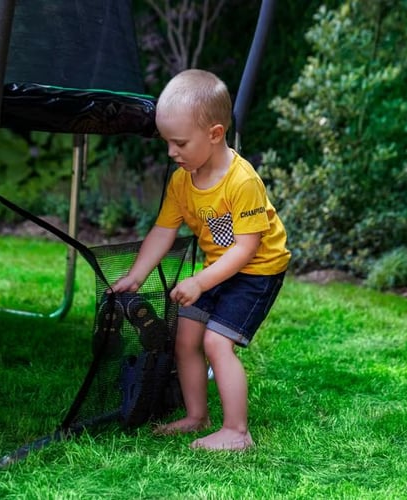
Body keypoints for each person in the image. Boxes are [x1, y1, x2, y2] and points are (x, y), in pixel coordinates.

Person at [109, 69, 291, 451]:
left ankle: (238, 432)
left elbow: (246, 248)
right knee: (185, 338)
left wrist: (199, 282)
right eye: (167, 143)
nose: (171, 152)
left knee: (215, 342)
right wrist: (137, 276)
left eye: (179, 143)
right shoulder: (182, 180)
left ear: (215, 134)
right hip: (218, 267)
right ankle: (197, 416)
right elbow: (163, 230)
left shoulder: (241, 181)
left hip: (257, 269)